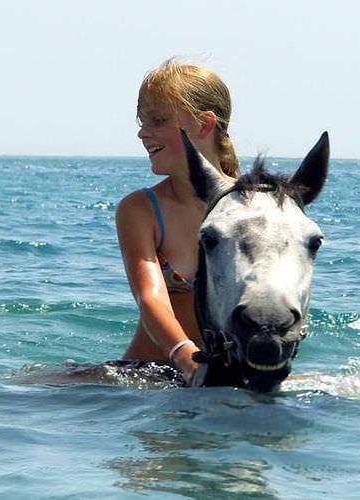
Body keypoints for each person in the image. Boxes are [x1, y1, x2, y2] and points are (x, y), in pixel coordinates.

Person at [115, 58, 239, 385]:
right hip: (147, 378)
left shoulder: (255, 206)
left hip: (230, 378)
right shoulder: (141, 209)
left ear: (203, 124)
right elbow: (150, 298)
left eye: (157, 120)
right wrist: (187, 360)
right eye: (142, 121)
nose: (143, 132)